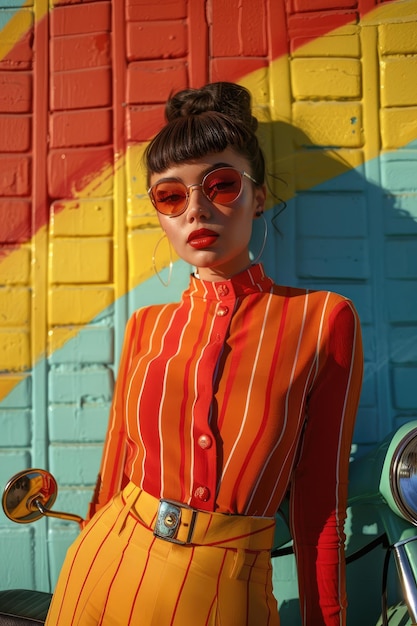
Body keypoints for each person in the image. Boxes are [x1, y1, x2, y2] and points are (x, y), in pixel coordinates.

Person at [45, 82, 363, 626]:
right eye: (170, 195)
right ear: (161, 214)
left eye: (220, 185)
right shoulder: (146, 327)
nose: (195, 209)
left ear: (257, 196)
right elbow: (111, 478)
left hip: (227, 590)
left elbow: (321, 504)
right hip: (102, 570)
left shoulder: (323, 319)